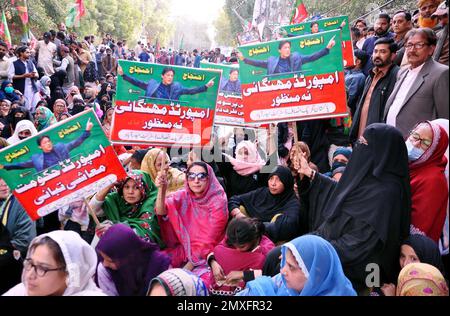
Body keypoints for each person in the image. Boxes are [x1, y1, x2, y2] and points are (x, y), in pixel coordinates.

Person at [295, 123, 411, 294]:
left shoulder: (387, 193)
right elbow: (342, 191)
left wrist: (311, 253)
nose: (359, 148)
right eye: (360, 142)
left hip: (363, 271)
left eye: (365, 144)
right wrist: (310, 173)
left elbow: (359, 244)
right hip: (330, 248)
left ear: (383, 151)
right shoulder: (366, 176)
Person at [154, 161, 228, 282]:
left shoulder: (218, 201)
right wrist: (162, 190)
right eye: (191, 176)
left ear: (209, 178)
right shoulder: (185, 195)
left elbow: (208, 240)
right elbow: (161, 212)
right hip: (185, 248)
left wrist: (186, 269)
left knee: (196, 282)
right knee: (157, 263)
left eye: (201, 176)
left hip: (209, 253)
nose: (196, 180)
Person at [236, 235, 357, 296]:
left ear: (316, 274)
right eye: (285, 263)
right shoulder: (284, 283)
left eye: (291, 267)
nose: (283, 271)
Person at [384, 28, 449, 138]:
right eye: (409, 45)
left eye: (419, 45)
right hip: (394, 140)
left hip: (419, 146)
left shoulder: (441, 73)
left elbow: (445, 117)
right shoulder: (402, 72)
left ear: (431, 49)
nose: (412, 50)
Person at [2, 230, 105, 296]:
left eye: (42, 268)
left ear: (69, 273)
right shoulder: (21, 291)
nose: (29, 275)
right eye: (30, 263)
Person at [228, 166, 302, 244]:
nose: (273, 184)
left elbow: (288, 225)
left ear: (286, 182)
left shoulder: (292, 202)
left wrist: (255, 227)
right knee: (240, 208)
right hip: (247, 234)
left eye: (278, 180)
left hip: (270, 241)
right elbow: (234, 200)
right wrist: (238, 214)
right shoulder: (262, 192)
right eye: (271, 179)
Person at [90, 170, 163, 246]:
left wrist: (115, 231)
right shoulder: (116, 200)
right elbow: (93, 210)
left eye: (137, 187)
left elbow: (144, 235)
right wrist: (109, 186)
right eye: (126, 187)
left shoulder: (151, 203)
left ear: (144, 189)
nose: (130, 192)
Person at [95, 223, 170, 296]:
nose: (105, 263)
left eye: (111, 261)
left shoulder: (160, 264)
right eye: (103, 258)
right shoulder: (105, 270)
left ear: (129, 257)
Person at [206, 217, 275, 295]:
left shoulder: (267, 249)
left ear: (254, 239)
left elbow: (270, 274)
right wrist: (213, 263)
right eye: (234, 246)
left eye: (242, 246)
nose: (237, 249)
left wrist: (243, 274)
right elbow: (216, 250)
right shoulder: (234, 238)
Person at [349, 37, 400, 143]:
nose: (377, 55)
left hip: (378, 136)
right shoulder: (370, 75)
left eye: (383, 52)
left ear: (393, 55)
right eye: (375, 51)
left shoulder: (397, 75)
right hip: (362, 133)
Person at [407, 121, 448, 242]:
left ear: (435, 150)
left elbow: (418, 227)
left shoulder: (433, 180)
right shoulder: (412, 166)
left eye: (425, 143)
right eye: (415, 136)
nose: (416, 143)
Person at [1, 118, 92, 172]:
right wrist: (4, 166)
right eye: (45, 143)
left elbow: (76, 142)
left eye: (49, 141)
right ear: (40, 147)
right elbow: (21, 165)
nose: (48, 144)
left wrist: (87, 130)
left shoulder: (61, 148)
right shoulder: (37, 159)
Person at [0, 178, 36, 294]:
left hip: (13, 269)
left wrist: (6, 251)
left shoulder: (21, 202)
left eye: (6, 178)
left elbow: (25, 241)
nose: (4, 184)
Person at [380, 234, 446, 296]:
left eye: (413, 259)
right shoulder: (399, 279)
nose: (405, 263)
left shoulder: (434, 289)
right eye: (402, 256)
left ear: (427, 261)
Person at [237, 38, 335, 75]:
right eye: (285, 48)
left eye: (289, 47)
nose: (287, 49)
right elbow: (258, 63)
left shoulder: (297, 58)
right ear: (279, 50)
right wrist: (244, 59)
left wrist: (326, 48)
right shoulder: (272, 61)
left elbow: (312, 57)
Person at [118, 66, 214, 101]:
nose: (170, 77)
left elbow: (191, 91)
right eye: (168, 75)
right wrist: (123, 75)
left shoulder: (177, 88)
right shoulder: (152, 85)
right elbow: (137, 83)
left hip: (170, 116)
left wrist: (206, 86)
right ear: (162, 76)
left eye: (172, 76)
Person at [7, 46, 40, 111]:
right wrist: (23, 76)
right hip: (22, 88)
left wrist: (33, 75)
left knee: (35, 106)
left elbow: (37, 74)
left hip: (32, 88)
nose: (29, 54)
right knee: (24, 107)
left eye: (30, 52)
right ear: (21, 53)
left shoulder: (30, 63)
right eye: (27, 52)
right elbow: (10, 76)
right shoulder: (14, 64)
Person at [344, 49, 368, 116]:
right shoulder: (348, 72)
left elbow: (350, 100)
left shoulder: (359, 77)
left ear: (358, 62)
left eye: (351, 57)